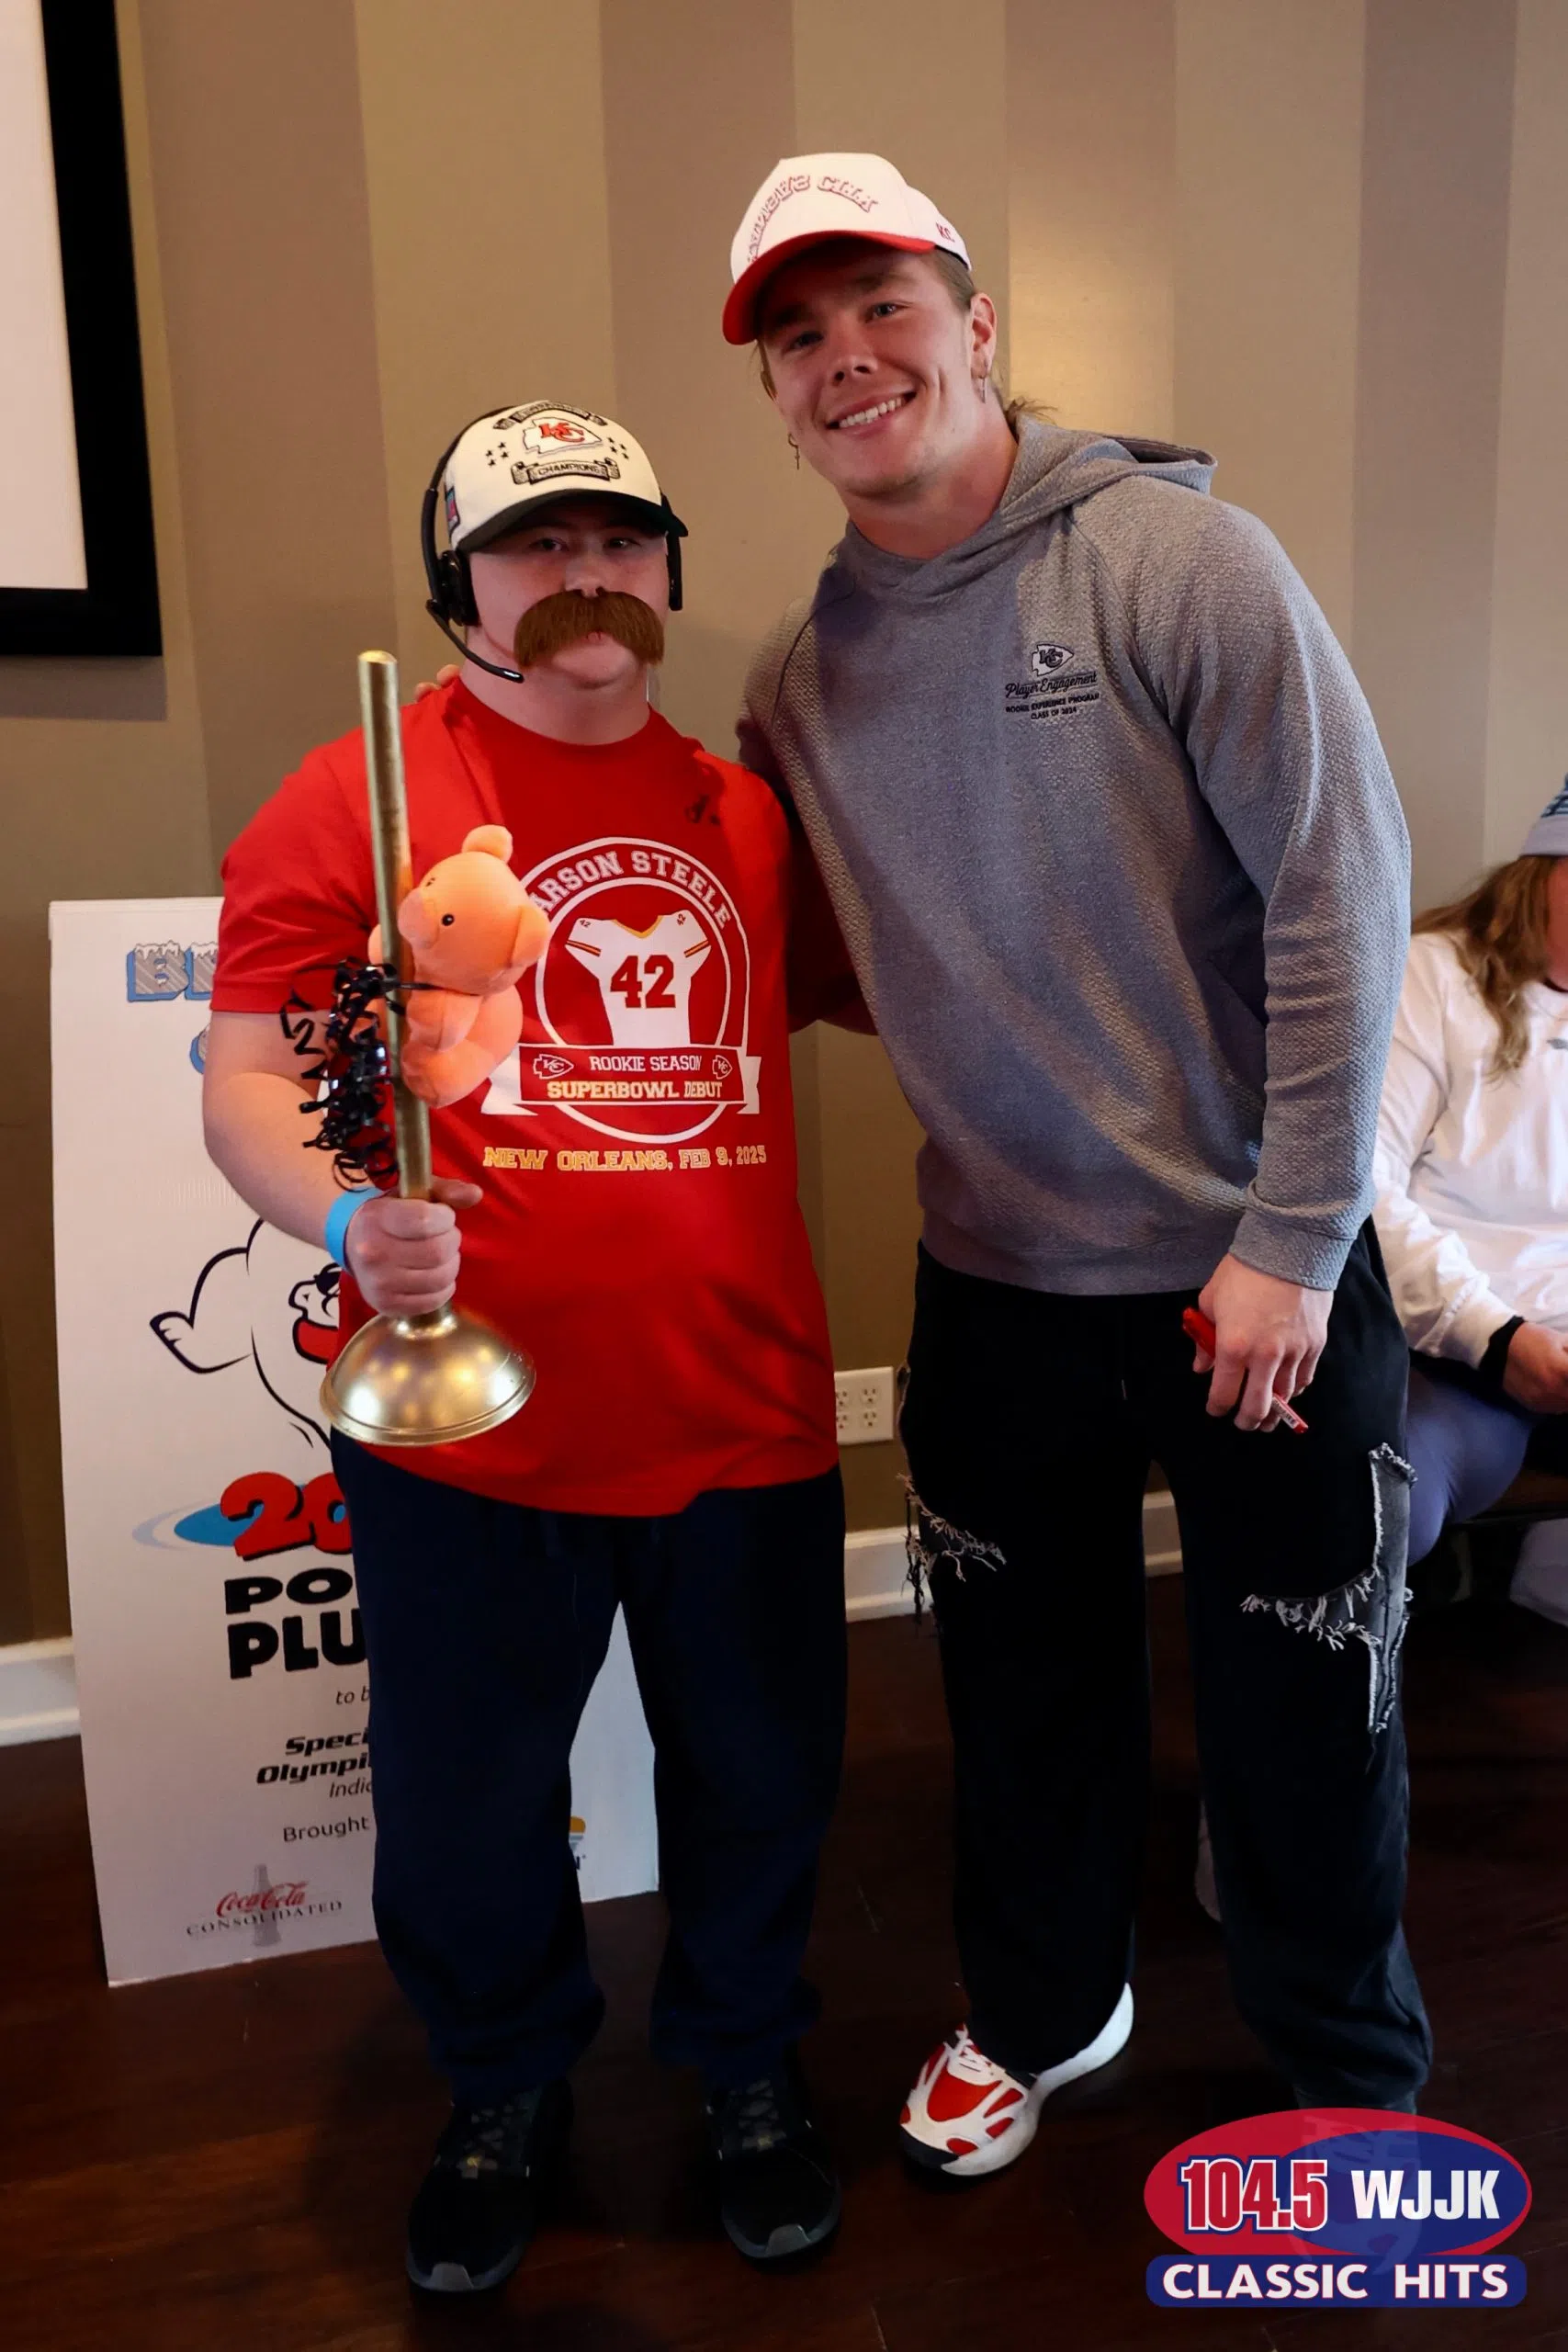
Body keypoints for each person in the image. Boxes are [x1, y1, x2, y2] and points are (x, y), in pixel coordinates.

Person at [723, 152, 1429, 2164]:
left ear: (975, 326)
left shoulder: (1175, 564)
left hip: (1253, 1271)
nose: (849, 359)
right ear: (774, 398)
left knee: (1305, 1700)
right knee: (1021, 1691)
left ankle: (1342, 2066)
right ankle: (1045, 2005)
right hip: (996, 1279)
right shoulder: (799, 677)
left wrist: (1293, 1236)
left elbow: (1342, 895)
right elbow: (840, 961)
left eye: (883, 307)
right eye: (799, 336)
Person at [203, 403, 862, 2291]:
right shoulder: (360, 794)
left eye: (618, 538)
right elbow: (247, 1079)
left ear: (665, 565)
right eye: (535, 544)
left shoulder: (751, 809)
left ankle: (743, 2063)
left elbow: (899, 994)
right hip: (465, 1418)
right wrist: (347, 1217)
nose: (586, 575)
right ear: (459, 585)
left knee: (759, 1770)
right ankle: (502, 2086)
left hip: (739, 1400)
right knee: (468, 1798)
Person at [1374, 784, 1568, 1628]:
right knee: (1388, 1507)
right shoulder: (1428, 978)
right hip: (1458, 1348)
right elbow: (1361, 1189)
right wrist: (1494, 1336)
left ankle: (1530, 1582)